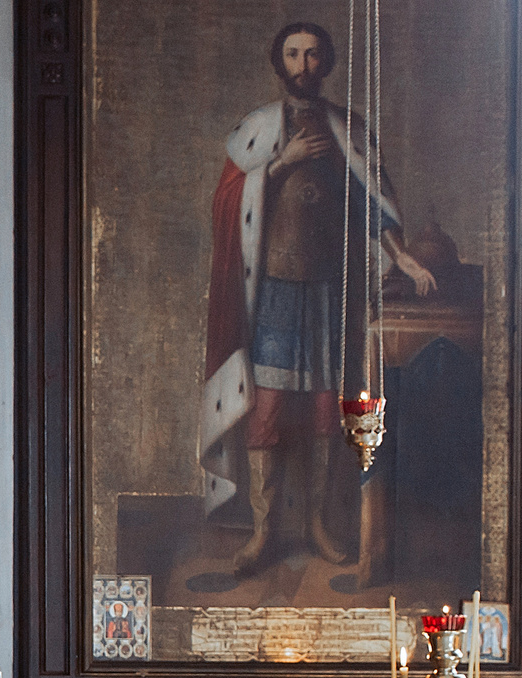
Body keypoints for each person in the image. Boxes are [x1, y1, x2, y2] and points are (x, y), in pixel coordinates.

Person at [200, 19, 434, 572]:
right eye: (293, 54)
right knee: (270, 410)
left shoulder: (346, 129)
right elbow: (227, 203)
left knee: (328, 409)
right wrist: (283, 163)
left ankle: (319, 525)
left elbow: (370, 199)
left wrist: (400, 256)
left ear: (325, 63)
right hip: (273, 295)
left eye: (312, 55)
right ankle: (264, 533)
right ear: (279, 63)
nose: (304, 65)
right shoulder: (258, 129)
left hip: (329, 291)